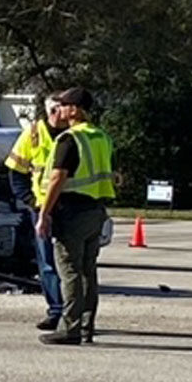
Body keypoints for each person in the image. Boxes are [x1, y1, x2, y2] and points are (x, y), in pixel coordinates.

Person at [36, 87, 116, 346]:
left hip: (72, 212)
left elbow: (58, 178)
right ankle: (85, 326)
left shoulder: (69, 140)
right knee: (88, 272)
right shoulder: (101, 137)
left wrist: (45, 213)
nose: (57, 110)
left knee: (69, 270)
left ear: (74, 110)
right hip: (96, 211)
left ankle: (70, 328)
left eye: (62, 105)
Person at [5, 95, 65, 331]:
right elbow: (16, 172)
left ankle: (73, 312)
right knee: (47, 261)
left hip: (70, 205)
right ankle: (55, 310)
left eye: (61, 109)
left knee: (70, 263)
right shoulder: (32, 134)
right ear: (46, 112)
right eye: (53, 110)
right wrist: (30, 201)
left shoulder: (75, 133)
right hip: (41, 207)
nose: (57, 115)